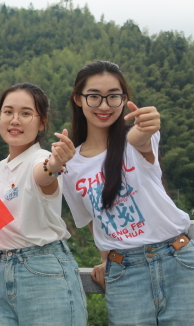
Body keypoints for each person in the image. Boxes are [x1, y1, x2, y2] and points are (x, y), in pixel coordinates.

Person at [62, 61, 194, 325]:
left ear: (124, 99)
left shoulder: (138, 138)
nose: (104, 105)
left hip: (178, 260)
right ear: (78, 99)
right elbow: (94, 218)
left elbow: (139, 139)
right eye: (94, 96)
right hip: (124, 272)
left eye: (113, 96)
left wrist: (147, 127)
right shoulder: (70, 164)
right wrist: (105, 260)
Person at [0, 83, 87, 326]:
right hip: (0, 276)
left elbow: (44, 175)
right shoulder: (1, 168)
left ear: (42, 123)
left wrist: (55, 165)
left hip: (43, 271)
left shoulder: (41, 158)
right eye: (8, 112)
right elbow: (3, 224)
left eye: (26, 113)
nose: (15, 120)